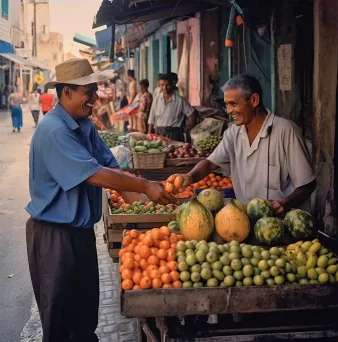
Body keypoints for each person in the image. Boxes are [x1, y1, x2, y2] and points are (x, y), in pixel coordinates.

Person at [25, 58, 175, 342]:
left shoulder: (85, 125)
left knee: (84, 319)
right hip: (54, 237)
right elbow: (95, 175)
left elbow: (112, 170)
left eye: (94, 89)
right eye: (87, 91)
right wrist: (145, 185)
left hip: (80, 234)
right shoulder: (55, 131)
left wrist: (151, 212)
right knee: (60, 324)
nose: (94, 97)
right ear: (66, 92)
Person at [172, 74, 316, 215]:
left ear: (254, 100)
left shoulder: (285, 130)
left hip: (282, 222)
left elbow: (308, 184)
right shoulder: (233, 133)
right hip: (246, 219)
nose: (228, 111)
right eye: (227, 105)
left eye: (233, 104)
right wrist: (190, 176)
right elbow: (210, 163)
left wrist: (285, 203)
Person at [148, 73, 196, 142]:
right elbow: (151, 119)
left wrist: (189, 127)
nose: (165, 87)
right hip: (158, 134)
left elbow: (192, 113)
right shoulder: (157, 99)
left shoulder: (180, 100)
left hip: (174, 135)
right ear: (159, 85)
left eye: (167, 85)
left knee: (174, 152)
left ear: (172, 84)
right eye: (162, 85)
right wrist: (148, 135)